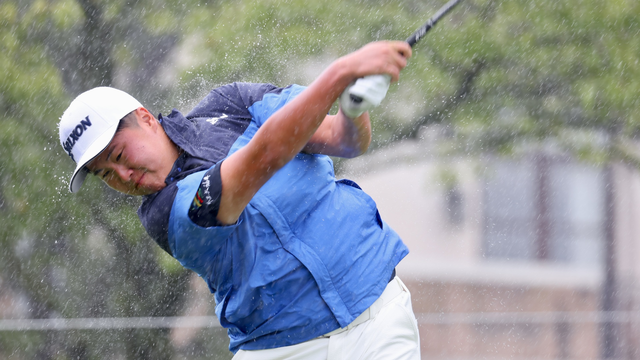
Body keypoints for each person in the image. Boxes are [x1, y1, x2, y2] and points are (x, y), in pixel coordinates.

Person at [58, 41, 419, 359]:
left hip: (379, 314)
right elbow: (264, 158)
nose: (122, 176)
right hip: (284, 349)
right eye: (105, 174)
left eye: (118, 156)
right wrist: (342, 72)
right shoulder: (164, 213)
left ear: (145, 119)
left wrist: (355, 105)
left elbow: (345, 140)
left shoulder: (230, 104)